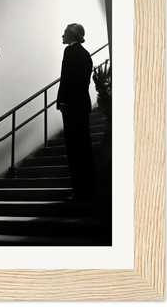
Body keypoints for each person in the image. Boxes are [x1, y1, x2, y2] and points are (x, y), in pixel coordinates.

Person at [57, 23, 96, 202]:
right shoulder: (86, 54)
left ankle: (79, 192)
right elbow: (83, 82)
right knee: (84, 148)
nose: (62, 36)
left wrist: (62, 101)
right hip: (82, 104)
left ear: (72, 35)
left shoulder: (70, 52)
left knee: (74, 150)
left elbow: (67, 79)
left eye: (65, 33)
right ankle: (88, 190)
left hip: (71, 106)